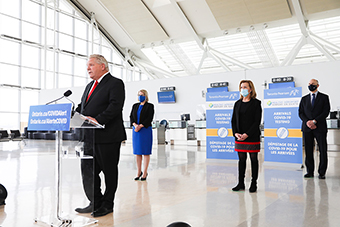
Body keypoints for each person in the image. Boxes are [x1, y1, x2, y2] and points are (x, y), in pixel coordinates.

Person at [74, 54, 126, 217]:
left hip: (107, 136)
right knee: (88, 171)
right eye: (87, 66)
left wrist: (97, 120)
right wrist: (73, 115)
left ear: (102, 66)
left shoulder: (115, 83)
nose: (87, 68)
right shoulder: (89, 86)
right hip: (89, 136)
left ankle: (107, 204)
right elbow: (83, 107)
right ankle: (94, 201)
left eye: (91, 65)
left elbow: (115, 106)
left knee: (109, 172)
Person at [231, 80, 262, 193]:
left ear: (250, 89)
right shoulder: (237, 104)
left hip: (252, 136)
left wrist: (247, 134)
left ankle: (254, 183)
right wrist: (235, 133)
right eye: (241, 87)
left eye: (245, 87)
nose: (242, 89)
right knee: (241, 160)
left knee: (253, 160)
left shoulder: (256, 103)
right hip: (239, 137)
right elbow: (233, 121)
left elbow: (256, 121)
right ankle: (240, 183)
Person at [298, 79, 330, 179]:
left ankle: (322, 172)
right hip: (307, 128)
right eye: (309, 84)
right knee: (308, 150)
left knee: (322, 150)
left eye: (313, 84)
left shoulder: (324, 97)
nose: (311, 85)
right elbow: (300, 112)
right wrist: (308, 122)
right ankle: (310, 171)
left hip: (320, 128)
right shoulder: (304, 99)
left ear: (318, 85)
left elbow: (326, 112)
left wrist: (315, 121)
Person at [130, 89, 154, 181]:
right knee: (137, 152)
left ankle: (145, 172)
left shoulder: (150, 106)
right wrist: (135, 125)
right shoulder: (135, 106)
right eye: (139, 95)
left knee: (146, 152)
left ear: (146, 96)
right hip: (136, 131)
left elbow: (149, 118)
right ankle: (138, 171)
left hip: (145, 130)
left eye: (142, 95)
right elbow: (131, 117)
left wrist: (141, 126)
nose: (140, 96)